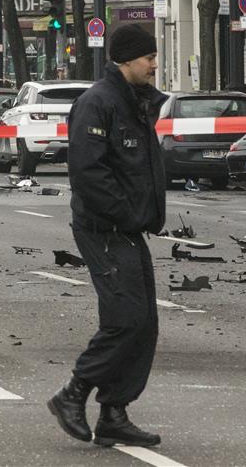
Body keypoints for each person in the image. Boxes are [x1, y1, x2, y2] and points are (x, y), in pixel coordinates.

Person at [48, 23, 167, 448]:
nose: (155, 64)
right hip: (104, 228)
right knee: (126, 319)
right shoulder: (97, 103)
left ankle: (114, 413)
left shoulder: (135, 101)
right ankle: (73, 393)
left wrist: (140, 216)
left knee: (144, 324)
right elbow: (88, 171)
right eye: (148, 57)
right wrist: (125, 212)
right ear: (127, 59)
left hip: (129, 228)